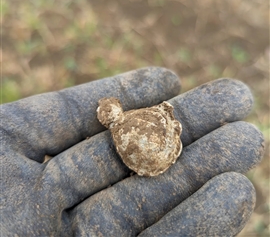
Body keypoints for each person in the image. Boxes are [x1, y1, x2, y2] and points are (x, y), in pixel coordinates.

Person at [1, 67, 264, 236]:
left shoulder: (128, 123)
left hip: (157, 146)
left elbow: (161, 118)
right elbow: (161, 117)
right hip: (155, 148)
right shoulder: (124, 127)